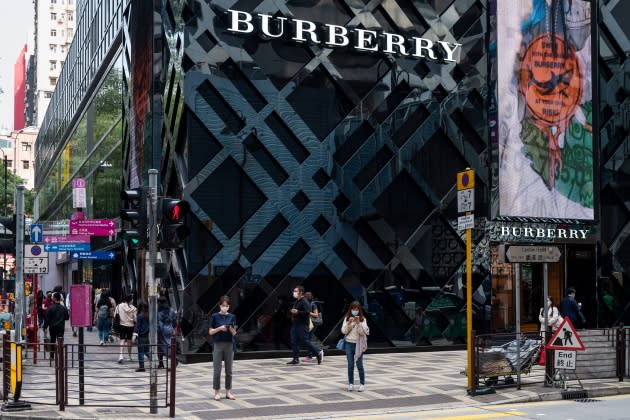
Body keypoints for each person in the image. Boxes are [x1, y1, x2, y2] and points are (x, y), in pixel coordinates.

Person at [208, 296, 237, 401]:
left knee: (229, 370)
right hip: (218, 344)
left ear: (229, 306)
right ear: (219, 305)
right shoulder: (214, 316)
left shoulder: (232, 316)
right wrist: (219, 328)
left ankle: (228, 392)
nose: (225, 307)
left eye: (227, 306)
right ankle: (217, 392)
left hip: (229, 345)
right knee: (217, 369)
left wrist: (230, 328)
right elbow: (210, 332)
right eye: (223, 305)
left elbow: (234, 333)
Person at [286, 286, 323, 365]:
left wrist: (298, 312)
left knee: (305, 340)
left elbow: (307, 312)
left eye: (296, 291)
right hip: (295, 324)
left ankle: (318, 352)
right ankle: (295, 359)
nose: (294, 292)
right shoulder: (297, 301)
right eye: (294, 291)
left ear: (301, 292)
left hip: (302, 325)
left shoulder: (304, 301)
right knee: (294, 341)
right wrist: (292, 312)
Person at [341, 301, 369, 392]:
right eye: (353, 309)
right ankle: (351, 384)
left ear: (359, 310)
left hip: (358, 344)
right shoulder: (347, 318)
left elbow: (362, 333)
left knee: (359, 365)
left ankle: (362, 384)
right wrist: (349, 323)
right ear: (351, 309)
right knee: (350, 365)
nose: (355, 311)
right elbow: (344, 331)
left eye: (357, 309)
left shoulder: (362, 319)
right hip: (349, 344)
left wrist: (358, 323)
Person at [42, 292, 69, 359]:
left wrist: (45, 327)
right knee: (60, 341)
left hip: (52, 327)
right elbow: (67, 317)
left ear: (54, 298)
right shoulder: (63, 308)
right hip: (60, 327)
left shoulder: (50, 308)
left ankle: (52, 356)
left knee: (52, 341)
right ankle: (60, 356)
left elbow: (47, 319)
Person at [116, 294, 137, 363]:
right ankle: (129, 356)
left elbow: (115, 315)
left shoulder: (119, 306)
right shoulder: (134, 308)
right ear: (130, 300)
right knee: (129, 341)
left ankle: (121, 355)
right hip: (130, 326)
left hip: (122, 325)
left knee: (122, 340)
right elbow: (135, 319)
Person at [157, 296, 176, 369]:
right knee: (169, 345)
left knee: (162, 347)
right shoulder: (171, 310)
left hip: (163, 331)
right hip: (170, 329)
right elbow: (174, 321)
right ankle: (170, 362)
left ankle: (161, 362)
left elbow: (160, 324)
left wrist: (158, 332)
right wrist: (173, 329)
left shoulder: (160, 312)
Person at [302, 291, 321, 362]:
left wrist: (308, 312)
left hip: (312, 324)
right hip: (308, 323)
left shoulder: (313, 304)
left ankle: (311, 355)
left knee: (308, 339)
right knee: (310, 339)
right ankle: (318, 351)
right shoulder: (307, 304)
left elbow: (316, 314)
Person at [134, 301, 150, 372]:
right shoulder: (148, 315)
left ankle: (142, 367)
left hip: (141, 335)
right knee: (147, 351)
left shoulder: (140, 316)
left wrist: (135, 334)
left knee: (141, 352)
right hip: (147, 335)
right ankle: (154, 360)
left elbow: (138, 327)